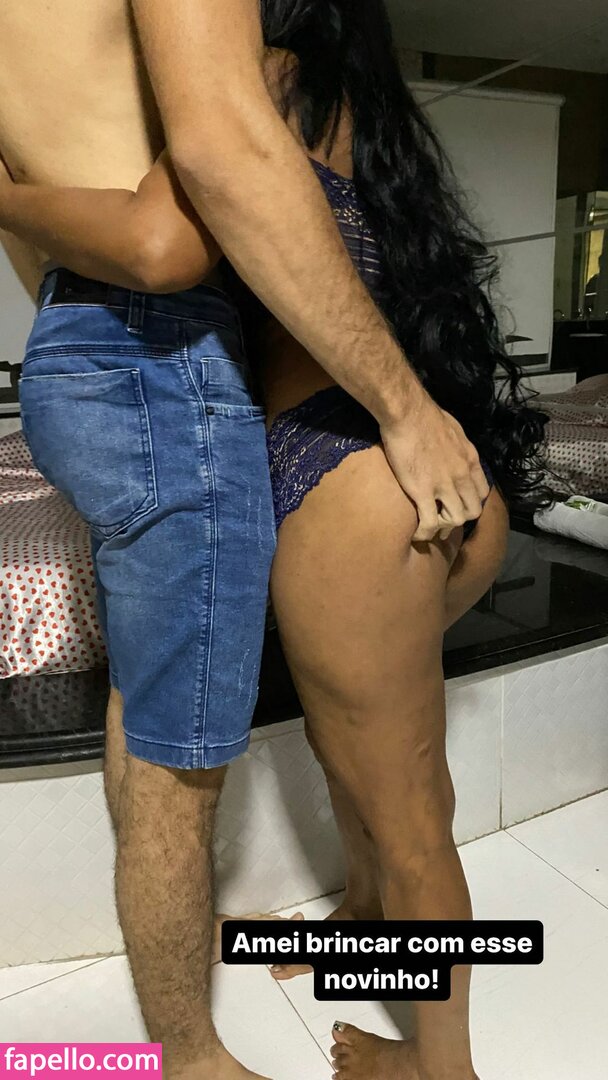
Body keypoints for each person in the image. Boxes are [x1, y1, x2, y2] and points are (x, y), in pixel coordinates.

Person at [0, 3, 494, 1079]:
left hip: (342, 475)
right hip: (397, 464)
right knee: (374, 762)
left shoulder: (248, 83)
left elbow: (157, 237)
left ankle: (440, 1066)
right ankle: (362, 924)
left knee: (400, 799)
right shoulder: (339, 104)